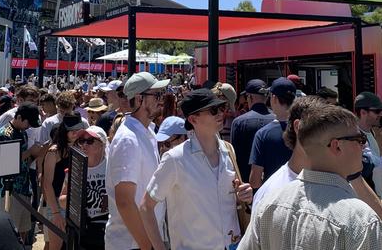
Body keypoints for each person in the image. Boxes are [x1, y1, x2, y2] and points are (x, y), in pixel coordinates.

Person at [238, 103, 382, 249]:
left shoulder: (269, 203)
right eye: (359, 139)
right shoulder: (362, 220)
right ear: (337, 146)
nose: (363, 146)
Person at [140, 89, 253, 250]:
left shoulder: (228, 150)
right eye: (213, 110)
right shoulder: (175, 159)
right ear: (193, 119)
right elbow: (146, 207)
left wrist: (244, 196)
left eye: (221, 108)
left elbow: (229, 202)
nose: (220, 114)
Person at [105, 72, 169, 250]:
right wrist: (147, 246)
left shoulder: (146, 132)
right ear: (140, 99)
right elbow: (125, 201)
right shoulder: (129, 139)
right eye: (156, 95)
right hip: (131, 244)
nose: (161, 99)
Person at [0, 103, 43, 242]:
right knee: (9, 235)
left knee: (23, 231)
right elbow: (8, 163)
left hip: (24, 189)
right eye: (28, 123)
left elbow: (24, 162)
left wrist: (37, 153)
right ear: (19, 117)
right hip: (8, 191)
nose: (29, 126)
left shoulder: (23, 133)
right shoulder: (5, 133)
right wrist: (31, 152)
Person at [42, 113, 85, 250]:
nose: (74, 133)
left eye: (77, 130)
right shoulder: (54, 152)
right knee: (56, 246)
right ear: (64, 131)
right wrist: (55, 213)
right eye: (71, 130)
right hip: (56, 203)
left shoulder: (82, 148)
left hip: (75, 203)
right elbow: (47, 183)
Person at [249, 77, 296, 188]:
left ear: (274, 98)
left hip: (274, 197)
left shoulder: (263, 134)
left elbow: (254, 181)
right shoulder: (307, 130)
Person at [68, 126, 109, 250]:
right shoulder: (76, 166)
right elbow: (63, 198)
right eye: (82, 141)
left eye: (90, 141)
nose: (84, 145)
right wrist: (77, 199)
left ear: (102, 144)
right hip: (84, 229)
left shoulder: (111, 166)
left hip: (108, 228)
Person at [230, 79, 275, 183]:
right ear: (266, 97)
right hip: (273, 183)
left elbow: (234, 156)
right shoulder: (277, 120)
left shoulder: (239, 122)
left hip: (247, 182)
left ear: (249, 97)